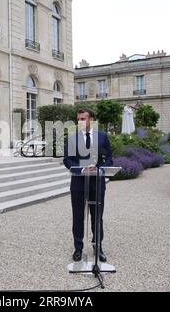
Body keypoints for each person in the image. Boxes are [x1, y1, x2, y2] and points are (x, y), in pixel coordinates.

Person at [63, 108, 113, 263]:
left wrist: (100, 168)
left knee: (97, 216)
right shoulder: (72, 138)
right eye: (78, 119)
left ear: (91, 119)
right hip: (78, 182)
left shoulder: (103, 137)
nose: (80, 122)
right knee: (78, 216)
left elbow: (109, 158)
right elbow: (67, 160)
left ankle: (98, 247)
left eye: (83, 119)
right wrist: (82, 169)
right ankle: (78, 248)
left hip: (97, 182)